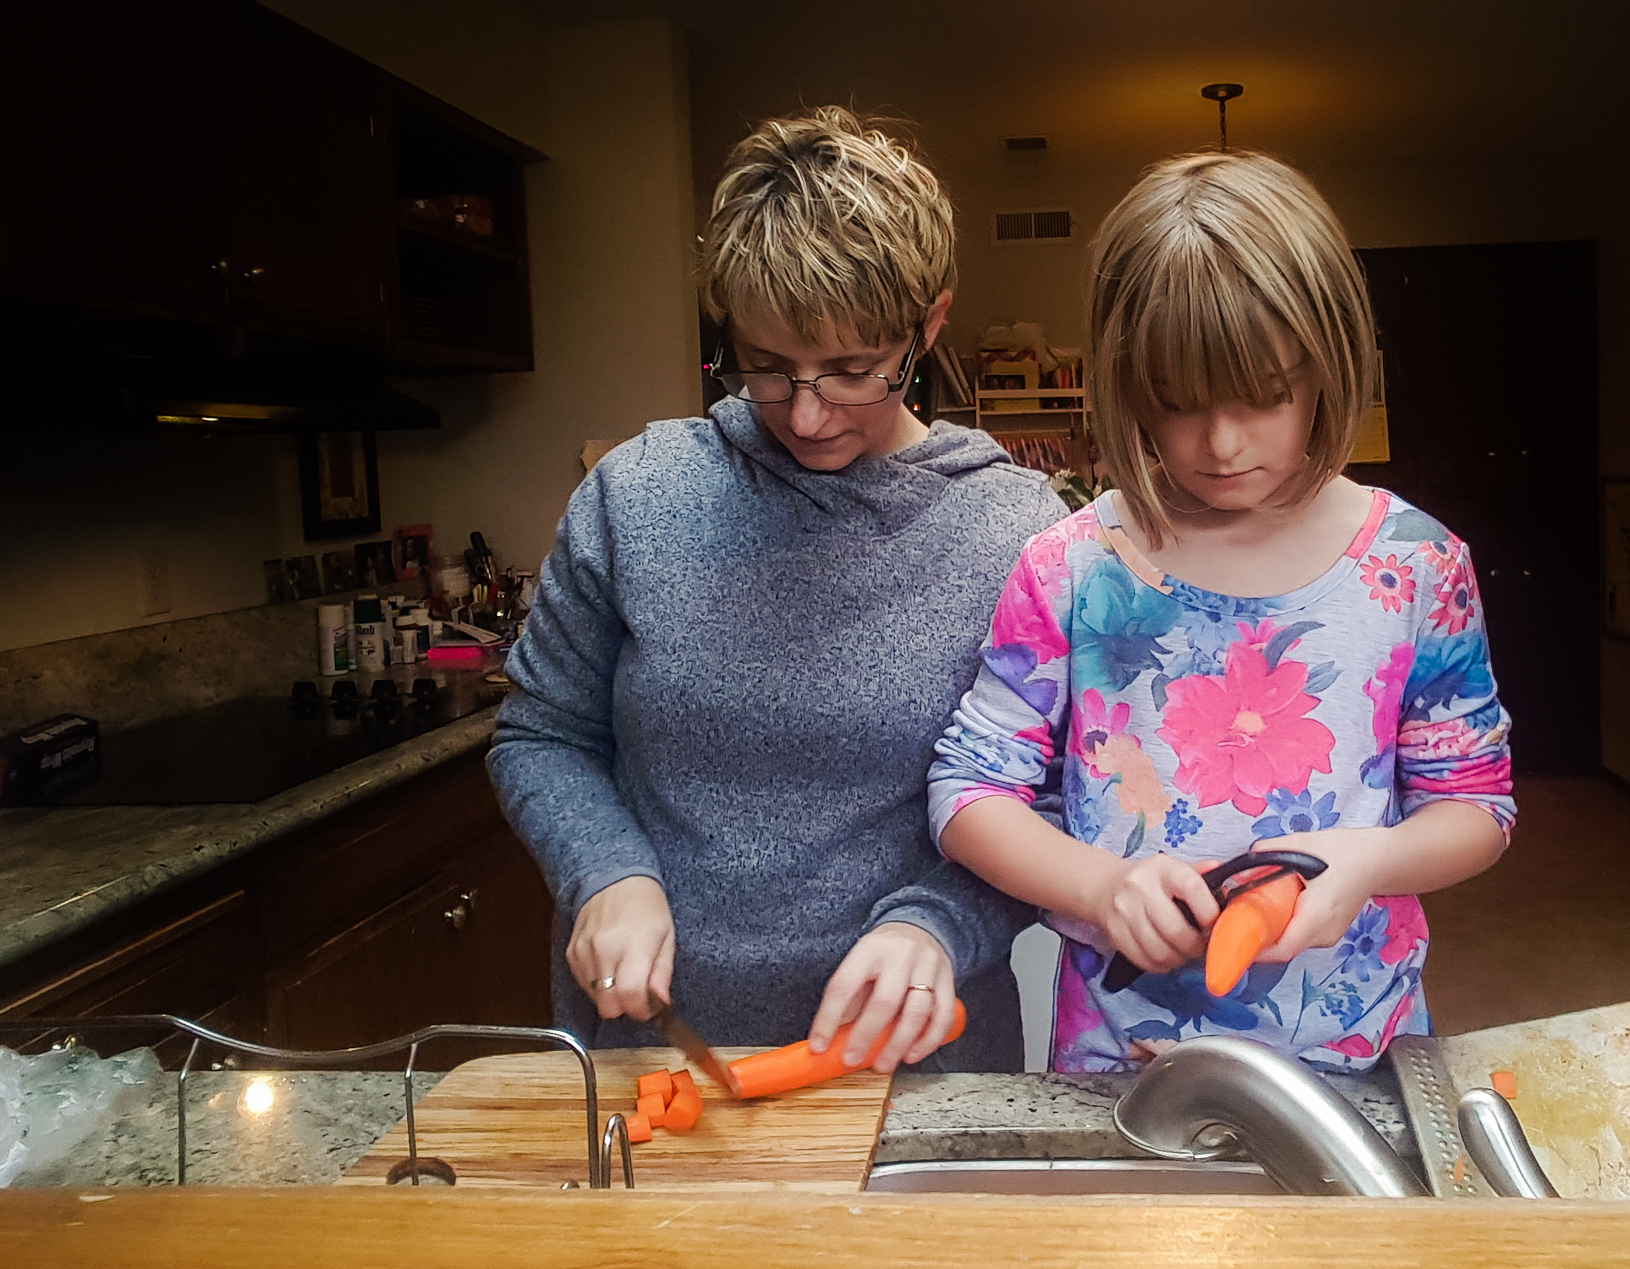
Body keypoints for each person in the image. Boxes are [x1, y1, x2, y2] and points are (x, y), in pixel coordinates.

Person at [491, 106, 1066, 1071]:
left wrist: (939, 926)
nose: (806, 414)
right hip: (653, 1056)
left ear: (927, 327)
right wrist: (604, 874)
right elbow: (541, 736)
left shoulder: (1020, 532)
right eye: (765, 367)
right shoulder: (636, 496)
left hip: (915, 1062)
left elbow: (1056, 795)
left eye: (852, 371)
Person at [927, 151, 1515, 1072]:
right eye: (1177, 403)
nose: (1223, 442)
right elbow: (966, 792)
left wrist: (1365, 863)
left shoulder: (1419, 566)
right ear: (1128, 385)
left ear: (1329, 365)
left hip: (1360, 1050)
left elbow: (1476, 807)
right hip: (1126, 1060)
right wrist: (1102, 883)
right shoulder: (1073, 566)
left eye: (1268, 395)